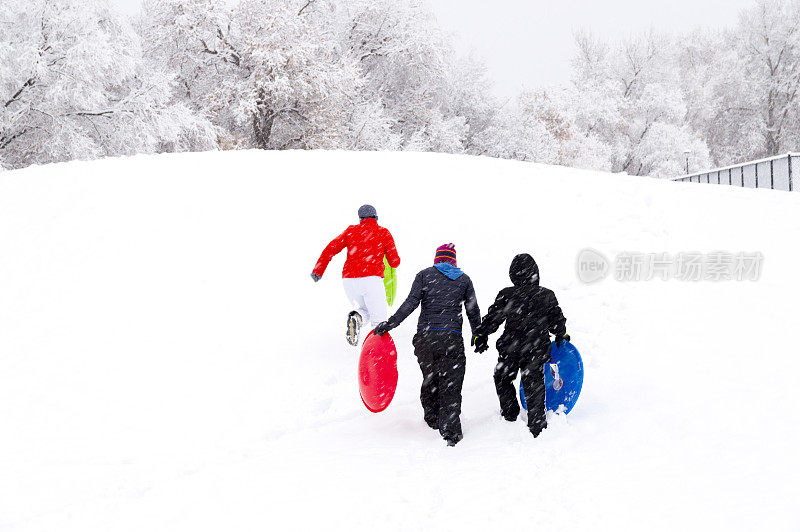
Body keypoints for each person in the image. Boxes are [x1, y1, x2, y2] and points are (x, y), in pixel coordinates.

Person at [374, 244, 480, 447]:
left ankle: (432, 418)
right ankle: (450, 431)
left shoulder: (424, 276)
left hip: (426, 339)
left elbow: (410, 303)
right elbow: (472, 310)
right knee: (451, 383)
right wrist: (478, 333)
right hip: (451, 339)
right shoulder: (464, 280)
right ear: (453, 261)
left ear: (437, 259)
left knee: (430, 377)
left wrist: (391, 324)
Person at [473, 253, 568, 438]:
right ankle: (537, 424)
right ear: (535, 273)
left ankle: (510, 415)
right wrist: (561, 334)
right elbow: (557, 323)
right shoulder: (546, 295)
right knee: (533, 383)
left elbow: (494, 318)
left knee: (502, 378)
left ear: (513, 274)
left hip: (511, 348)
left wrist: (481, 334)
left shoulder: (507, 294)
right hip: (536, 348)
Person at [311, 205, 401, 346]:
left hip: (349, 280)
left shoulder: (350, 231)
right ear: (376, 217)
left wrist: (318, 270)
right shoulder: (383, 232)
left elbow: (330, 248)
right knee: (379, 322)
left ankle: (356, 318)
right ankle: (377, 354)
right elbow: (394, 262)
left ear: (360, 219)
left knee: (365, 311)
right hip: (372, 279)